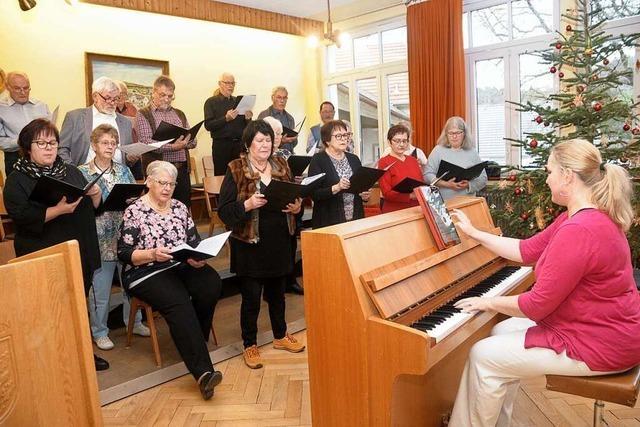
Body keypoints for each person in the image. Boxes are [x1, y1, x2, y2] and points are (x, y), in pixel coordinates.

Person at [448, 139, 640, 427]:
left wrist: (487, 301)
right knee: (500, 329)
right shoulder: (579, 217)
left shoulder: (579, 230)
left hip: (602, 343)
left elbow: (536, 305)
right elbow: (526, 250)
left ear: (567, 176)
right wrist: (475, 233)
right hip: (602, 327)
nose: (547, 179)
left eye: (549, 172)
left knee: (482, 356)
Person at [4, 118, 109, 371]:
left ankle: (83, 354)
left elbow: (93, 209)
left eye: (52, 142)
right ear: (28, 147)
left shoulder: (70, 171)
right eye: (41, 143)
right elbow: (21, 216)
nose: (49, 148)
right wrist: (58, 210)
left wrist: (96, 195)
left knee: (78, 306)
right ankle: (52, 359)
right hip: (42, 252)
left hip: (78, 250)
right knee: (47, 310)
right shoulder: (17, 179)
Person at [117, 160, 223, 400]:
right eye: (161, 183)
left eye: (171, 184)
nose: (167, 188)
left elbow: (193, 241)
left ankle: (194, 339)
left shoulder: (179, 208)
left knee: (211, 283)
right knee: (178, 300)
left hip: (178, 264)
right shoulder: (135, 210)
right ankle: (204, 373)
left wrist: (198, 257)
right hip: (145, 270)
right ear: (149, 182)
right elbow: (124, 253)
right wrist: (152, 254)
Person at [218, 120, 305, 370]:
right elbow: (224, 211)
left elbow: (293, 195)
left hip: (279, 237)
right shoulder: (236, 168)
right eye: (259, 140)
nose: (265, 144)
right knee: (251, 298)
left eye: (268, 140)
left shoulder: (280, 163)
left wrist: (298, 207)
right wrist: (247, 205)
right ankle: (250, 344)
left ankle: (280, 335)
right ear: (248, 144)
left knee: (278, 294)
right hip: (250, 242)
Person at [78, 124, 149, 351]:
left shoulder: (124, 170)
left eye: (113, 143)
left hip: (124, 236)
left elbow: (132, 196)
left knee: (131, 284)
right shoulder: (82, 172)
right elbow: (79, 208)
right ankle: (99, 331)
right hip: (98, 238)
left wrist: (133, 199)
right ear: (94, 145)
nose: (110, 147)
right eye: (105, 143)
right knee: (100, 290)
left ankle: (134, 322)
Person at [135, 76, 196, 207]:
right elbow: (147, 143)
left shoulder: (179, 114)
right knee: (158, 208)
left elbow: (193, 140)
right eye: (163, 95)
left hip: (181, 170)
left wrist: (188, 142)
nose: (166, 99)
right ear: (153, 92)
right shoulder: (143, 114)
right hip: (159, 173)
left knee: (182, 207)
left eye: (170, 96)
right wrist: (173, 147)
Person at [262, 116, 305, 295]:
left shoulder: (286, 154)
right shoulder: (259, 155)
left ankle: (290, 279)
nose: (279, 137)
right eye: (275, 133)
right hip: (268, 209)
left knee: (291, 243)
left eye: (280, 133)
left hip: (288, 205)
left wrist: (297, 179)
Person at [308, 120, 370, 229]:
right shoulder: (318, 160)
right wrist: (337, 187)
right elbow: (314, 194)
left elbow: (359, 185)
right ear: (327, 140)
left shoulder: (354, 159)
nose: (344, 139)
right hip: (329, 220)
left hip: (355, 219)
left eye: (345, 135)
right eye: (338, 136)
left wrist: (364, 195)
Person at [59, 76, 133, 167]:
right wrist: (74, 173)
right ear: (95, 96)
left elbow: (128, 160)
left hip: (118, 176)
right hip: (83, 176)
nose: (112, 102)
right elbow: (61, 149)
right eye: (107, 98)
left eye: (116, 98)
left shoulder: (126, 123)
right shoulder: (75, 117)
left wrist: (131, 158)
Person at [425, 116, 487, 200]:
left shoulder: (472, 152)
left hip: (467, 202)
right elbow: (427, 175)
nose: (454, 136)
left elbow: (483, 178)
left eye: (458, 133)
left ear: (464, 133)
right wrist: (446, 184)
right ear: (446, 134)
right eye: (451, 133)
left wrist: (468, 184)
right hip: (444, 203)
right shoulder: (438, 150)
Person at [0, 71, 50, 175]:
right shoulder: (1, 108)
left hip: (43, 157)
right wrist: (21, 141)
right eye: (17, 88)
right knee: (18, 190)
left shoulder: (41, 105)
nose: (23, 92)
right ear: (8, 87)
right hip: (16, 158)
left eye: (26, 88)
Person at [203, 72, 253, 176]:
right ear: (220, 83)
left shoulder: (238, 101)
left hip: (239, 146)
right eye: (227, 83)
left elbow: (247, 128)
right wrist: (225, 119)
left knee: (239, 178)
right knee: (221, 178)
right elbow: (208, 125)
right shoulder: (211, 102)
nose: (230, 86)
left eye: (233, 83)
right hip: (221, 146)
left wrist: (248, 119)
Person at [377, 124, 423, 213]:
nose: (401, 144)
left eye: (404, 141)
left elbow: (421, 183)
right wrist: (410, 196)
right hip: (395, 211)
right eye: (397, 141)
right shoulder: (384, 162)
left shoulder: (413, 160)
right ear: (389, 142)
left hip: (416, 209)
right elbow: (386, 193)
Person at [257, 86, 297, 153]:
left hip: (288, 156)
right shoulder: (264, 115)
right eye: (279, 97)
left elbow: (293, 144)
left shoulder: (290, 118)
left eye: (284, 98)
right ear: (272, 98)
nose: (282, 101)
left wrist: (294, 139)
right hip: (269, 156)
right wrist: (281, 142)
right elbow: (260, 140)